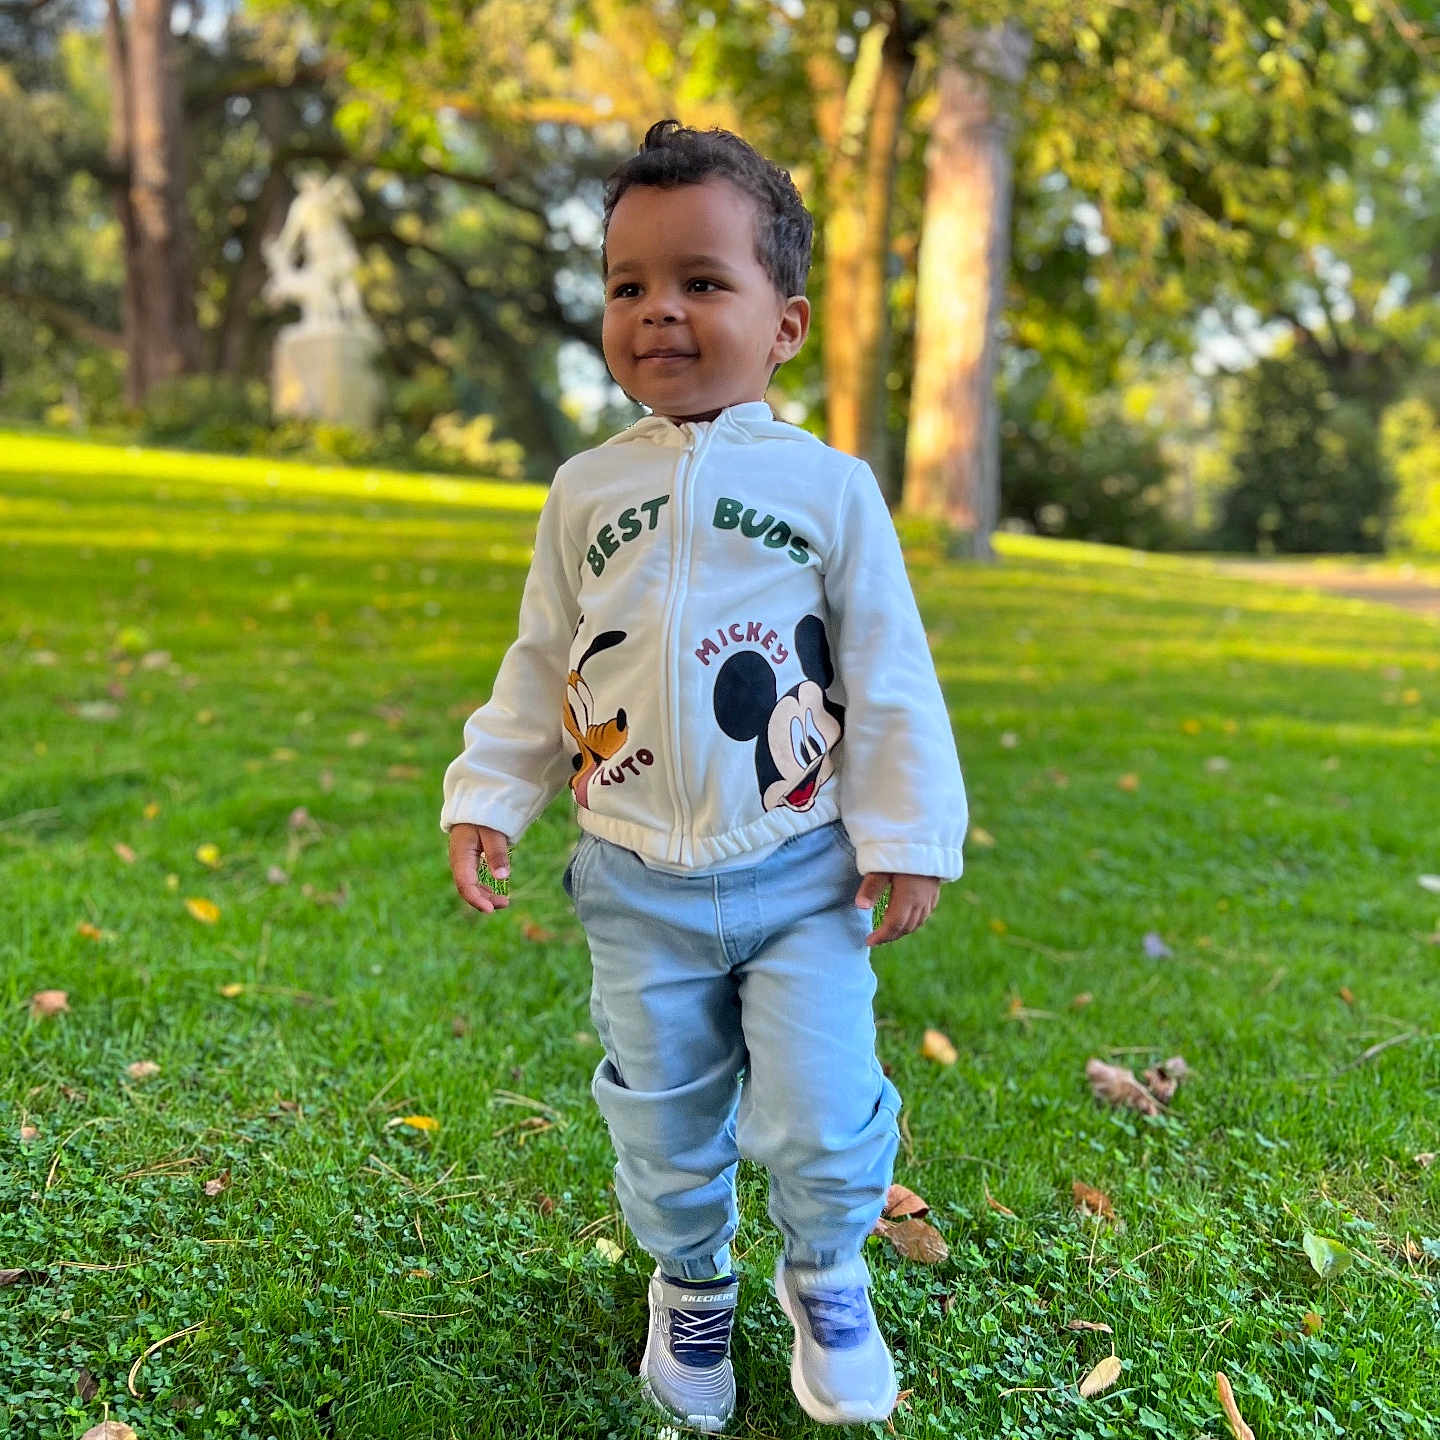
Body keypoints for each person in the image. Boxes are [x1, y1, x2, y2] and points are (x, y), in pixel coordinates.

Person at [442, 118, 967, 1432]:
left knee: (821, 1104)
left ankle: (828, 1269)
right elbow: (543, 659)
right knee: (662, 1108)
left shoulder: (831, 490)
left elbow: (888, 666)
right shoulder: (584, 493)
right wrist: (490, 794)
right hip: (635, 881)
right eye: (628, 284)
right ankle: (691, 1280)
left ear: (785, 324)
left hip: (799, 874)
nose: (658, 311)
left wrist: (906, 831)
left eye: (700, 281)